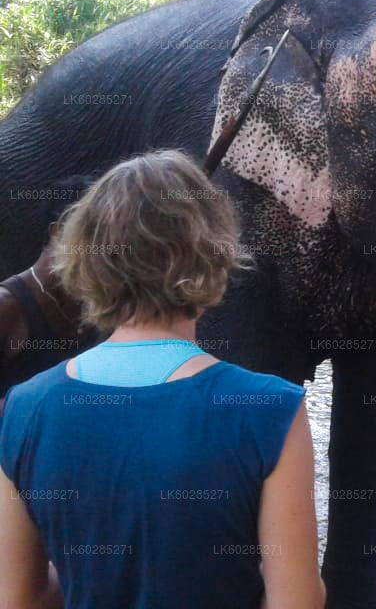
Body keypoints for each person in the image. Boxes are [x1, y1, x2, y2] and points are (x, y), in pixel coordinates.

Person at [0, 150, 325, 608]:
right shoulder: (271, 410)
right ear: (213, 256)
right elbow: (297, 601)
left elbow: (18, 598)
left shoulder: (25, 408)